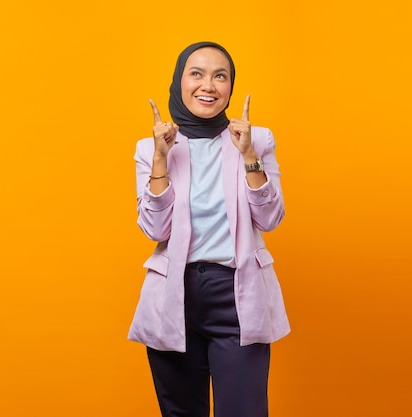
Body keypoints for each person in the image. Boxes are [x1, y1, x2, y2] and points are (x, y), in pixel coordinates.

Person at [127, 41, 290, 417]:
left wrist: (249, 156)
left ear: (231, 87)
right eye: (196, 73)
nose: (209, 85)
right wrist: (159, 161)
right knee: (182, 411)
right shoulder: (151, 147)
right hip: (174, 294)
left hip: (236, 292)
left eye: (221, 76)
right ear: (179, 81)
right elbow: (154, 228)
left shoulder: (255, 140)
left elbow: (270, 218)